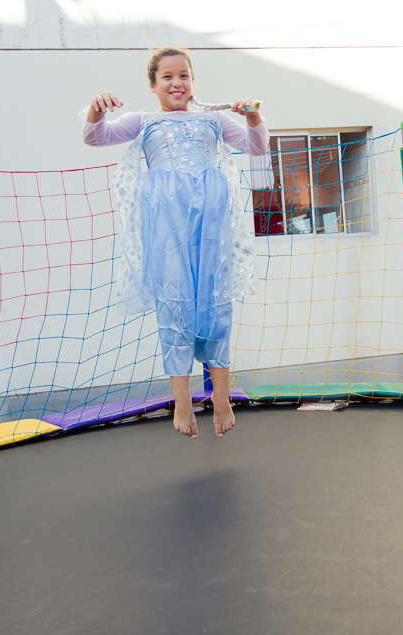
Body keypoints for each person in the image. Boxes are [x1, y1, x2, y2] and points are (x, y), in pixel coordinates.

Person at [80, 47, 267, 439]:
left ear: (193, 82)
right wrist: (97, 110)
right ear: (153, 85)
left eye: (184, 75)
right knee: (174, 299)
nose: (177, 82)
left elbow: (256, 146)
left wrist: (252, 117)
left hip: (210, 222)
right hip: (166, 222)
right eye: (167, 77)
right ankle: (181, 398)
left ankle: (220, 395)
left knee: (216, 300)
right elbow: (95, 137)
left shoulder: (213, 119)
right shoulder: (143, 121)